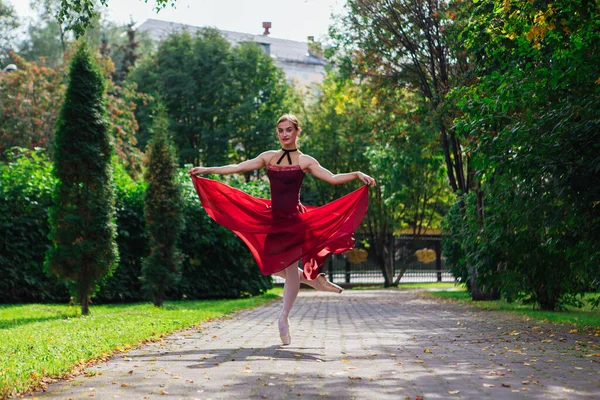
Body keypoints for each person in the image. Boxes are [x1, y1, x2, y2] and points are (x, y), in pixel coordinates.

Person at [188, 114, 376, 345]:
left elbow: (332, 178)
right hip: (274, 219)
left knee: (288, 267)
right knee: (274, 267)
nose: (284, 134)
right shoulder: (269, 157)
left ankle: (283, 318)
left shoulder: (305, 160)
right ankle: (314, 281)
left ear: (297, 132)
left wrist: (357, 174)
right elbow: (238, 167)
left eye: (289, 130)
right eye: (280, 130)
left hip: (294, 220)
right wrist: (206, 170)